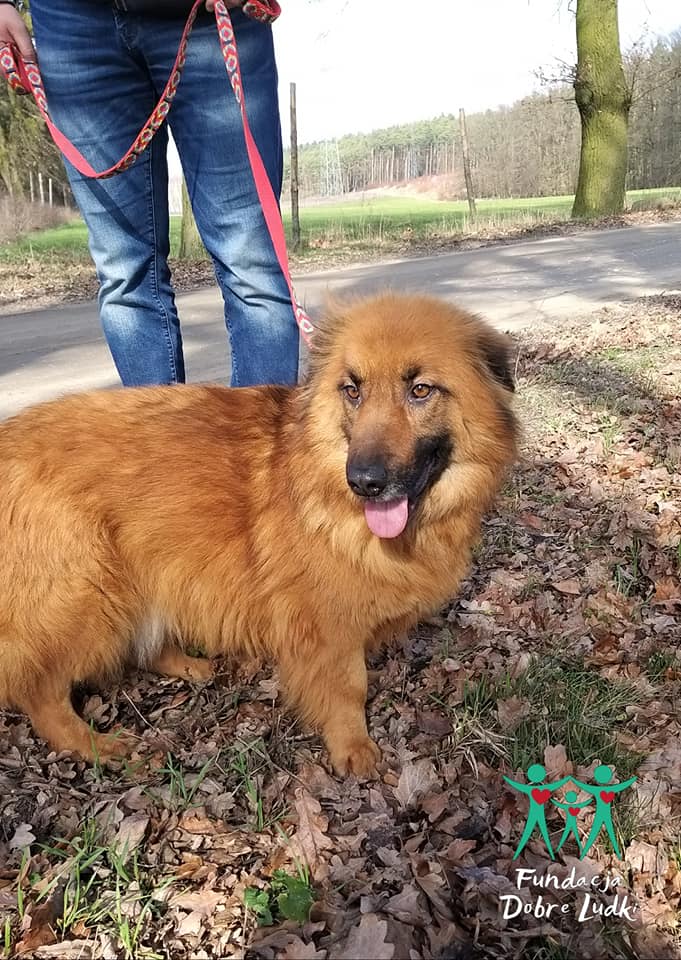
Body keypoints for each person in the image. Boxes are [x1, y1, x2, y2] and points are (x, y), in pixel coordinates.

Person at [0, 0, 299, 387]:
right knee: (123, 275)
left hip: (208, 15)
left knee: (251, 263)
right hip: (70, 20)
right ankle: (158, 430)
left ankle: (261, 430)